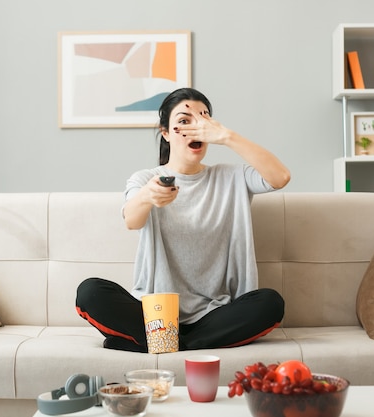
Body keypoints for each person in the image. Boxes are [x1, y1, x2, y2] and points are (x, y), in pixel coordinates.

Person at [76, 87, 291, 352]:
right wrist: (147, 197)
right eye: (183, 121)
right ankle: (172, 340)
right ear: (165, 132)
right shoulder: (145, 179)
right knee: (90, 292)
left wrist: (227, 136)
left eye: (204, 118)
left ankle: (165, 343)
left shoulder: (232, 177)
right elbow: (132, 220)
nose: (196, 126)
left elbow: (280, 177)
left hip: (215, 314)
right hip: (155, 314)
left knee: (270, 303)